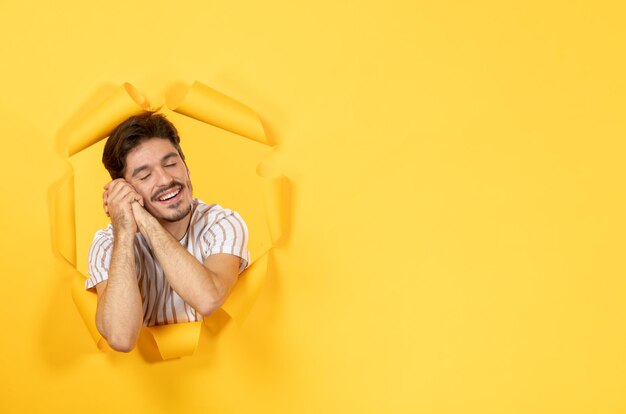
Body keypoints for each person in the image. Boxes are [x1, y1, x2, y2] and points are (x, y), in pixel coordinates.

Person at [85, 112, 249, 352]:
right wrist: (126, 232)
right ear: (125, 189)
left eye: (171, 164)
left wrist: (144, 219)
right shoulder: (108, 244)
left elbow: (208, 298)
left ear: (186, 166)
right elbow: (120, 337)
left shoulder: (222, 223)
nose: (165, 180)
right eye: (145, 175)